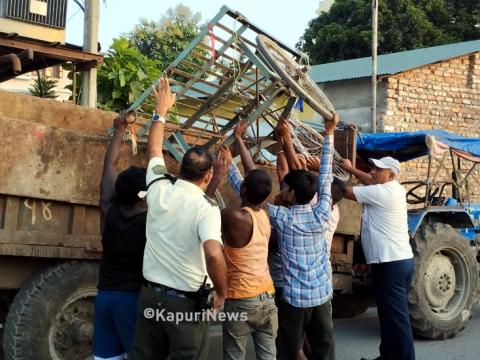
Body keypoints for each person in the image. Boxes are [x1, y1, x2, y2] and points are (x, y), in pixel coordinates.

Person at [129, 78, 227, 360]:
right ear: (208, 177)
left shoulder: (158, 186)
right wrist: (221, 293)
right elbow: (213, 253)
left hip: (150, 297)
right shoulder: (206, 209)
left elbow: (155, 149)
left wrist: (161, 112)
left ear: (180, 168)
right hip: (184, 305)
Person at [228, 113, 339, 360]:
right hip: (321, 297)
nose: (282, 190)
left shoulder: (282, 218)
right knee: (323, 349)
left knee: (288, 350)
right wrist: (329, 132)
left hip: (294, 302)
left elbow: (250, 196)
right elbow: (326, 176)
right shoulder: (322, 213)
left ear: (291, 194)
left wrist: (228, 166)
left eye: (285, 188)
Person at [206, 121, 277, 360]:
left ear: (243, 190)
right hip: (267, 297)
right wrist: (238, 141)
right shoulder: (265, 216)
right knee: (268, 356)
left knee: (234, 356)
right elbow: (254, 176)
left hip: (241, 300)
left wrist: (218, 175)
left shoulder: (233, 217)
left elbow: (201, 208)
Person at [341, 156, 415, 360]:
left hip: (390, 264)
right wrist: (351, 170)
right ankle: (388, 357)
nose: (373, 172)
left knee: (397, 321)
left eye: (378, 169)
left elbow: (343, 191)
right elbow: (369, 180)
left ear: (390, 175)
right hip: (396, 262)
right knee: (389, 317)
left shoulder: (382, 192)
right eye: (373, 168)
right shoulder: (393, 188)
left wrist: (319, 173)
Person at [94, 111, 147, 360]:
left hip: (104, 297)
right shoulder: (150, 224)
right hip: (131, 300)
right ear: (144, 198)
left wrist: (119, 131)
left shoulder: (108, 210)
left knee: (106, 357)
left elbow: (109, 166)